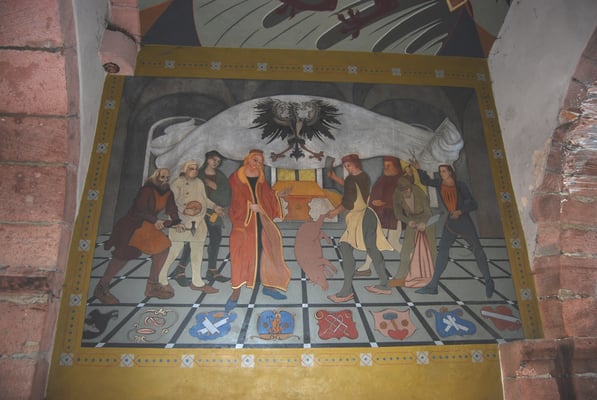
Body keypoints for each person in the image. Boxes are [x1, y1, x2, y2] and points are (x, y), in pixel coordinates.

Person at [95, 168, 184, 304]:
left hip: (148, 226)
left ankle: (152, 286)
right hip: (133, 226)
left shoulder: (167, 192)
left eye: (167, 178)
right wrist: (155, 220)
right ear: (156, 177)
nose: (165, 181)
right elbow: (139, 210)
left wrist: (177, 221)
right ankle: (102, 286)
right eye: (162, 177)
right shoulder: (146, 190)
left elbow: (172, 209)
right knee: (122, 256)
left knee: (163, 247)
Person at [413, 162, 494, 297]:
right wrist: (418, 169)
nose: (442, 174)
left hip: (464, 222)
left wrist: (460, 211)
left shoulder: (460, 185)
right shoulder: (439, 183)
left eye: (444, 171)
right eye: (440, 171)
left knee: (477, 249)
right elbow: (426, 181)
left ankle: (488, 281)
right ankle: (433, 286)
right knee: (442, 251)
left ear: (450, 172)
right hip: (451, 223)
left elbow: (473, 203)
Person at [226, 149, 292, 312]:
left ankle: (268, 286)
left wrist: (278, 195)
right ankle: (235, 292)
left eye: (261, 162)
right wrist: (249, 207)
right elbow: (232, 201)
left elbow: (267, 196)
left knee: (267, 253)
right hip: (243, 225)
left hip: (261, 221)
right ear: (248, 159)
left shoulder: (261, 179)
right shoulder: (235, 178)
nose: (257, 164)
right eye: (255, 160)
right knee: (240, 256)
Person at [326, 154, 394, 302]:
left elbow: (348, 202)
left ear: (355, 164)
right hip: (368, 215)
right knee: (371, 249)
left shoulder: (352, 179)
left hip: (360, 218)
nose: (347, 168)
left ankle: (346, 291)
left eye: (349, 165)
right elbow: (350, 187)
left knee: (346, 247)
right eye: (345, 166)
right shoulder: (364, 176)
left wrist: (334, 212)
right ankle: (384, 284)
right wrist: (335, 178)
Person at [158, 160, 220, 294]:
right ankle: (161, 279)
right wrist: (180, 216)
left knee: (197, 253)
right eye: (191, 168)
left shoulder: (199, 183)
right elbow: (170, 204)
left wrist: (214, 206)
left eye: (196, 168)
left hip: (198, 223)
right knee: (174, 252)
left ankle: (197, 282)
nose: (194, 171)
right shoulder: (176, 183)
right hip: (181, 222)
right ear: (184, 170)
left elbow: (204, 199)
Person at [173, 151, 231, 283]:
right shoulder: (197, 174)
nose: (215, 163)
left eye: (218, 161)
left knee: (216, 239)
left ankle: (212, 270)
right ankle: (180, 270)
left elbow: (225, 197)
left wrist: (215, 197)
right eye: (213, 159)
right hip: (196, 212)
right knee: (193, 240)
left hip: (212, 213)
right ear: (207, 159)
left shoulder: (220, 177)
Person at [355, 156, 403, 277]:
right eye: (385, 165)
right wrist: (373, 202)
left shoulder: (401, 181)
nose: (386, 168)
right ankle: (366, 267)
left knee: (393, 242)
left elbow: (402, 200)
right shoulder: (382, 179)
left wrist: (384, 203)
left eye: (389, 165)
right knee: (375, 241)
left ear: (396, 167)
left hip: (393, 215)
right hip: (381, 214)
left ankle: (414, 260)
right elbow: (374, 195)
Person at [391, 176, 436, 287]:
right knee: (405, 250)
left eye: (407, 190)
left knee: (431, 249)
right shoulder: (397, 194)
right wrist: (408, 221)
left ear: (410, 187)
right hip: (412, 220)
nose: (406, 193)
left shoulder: (418, 192)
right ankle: (399, 277)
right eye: (403, 191)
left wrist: (423, 223)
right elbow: (398, 214)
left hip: (426, 220)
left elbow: (428, 212)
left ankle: (433, 277)